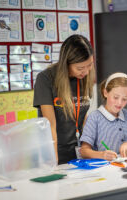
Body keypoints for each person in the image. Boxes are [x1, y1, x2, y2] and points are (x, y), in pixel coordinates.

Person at [33, 34, 95, 164]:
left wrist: (88, 147)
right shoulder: (45, 79)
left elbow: (82, 115)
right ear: (66, 63)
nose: (86, 72)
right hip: (56, 151)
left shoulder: (83, 77)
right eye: (80, 68)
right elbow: (50, 126)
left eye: (89, 65)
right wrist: (53, 161)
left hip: (80, 151)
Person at [80, 73, 127, 161]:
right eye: (116, 97)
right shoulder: (94, 117)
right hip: (104, 169)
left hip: (126, 167)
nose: (119, 103)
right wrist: (102, 155)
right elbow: (84, 151)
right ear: (105, 92)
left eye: (124, 99)